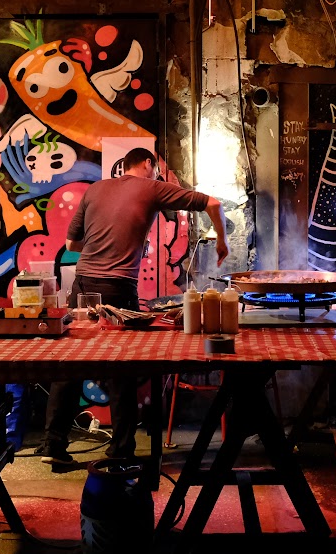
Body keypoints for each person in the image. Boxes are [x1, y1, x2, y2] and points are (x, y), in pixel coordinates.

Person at [41, 147, 228, 469]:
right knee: (121, 371)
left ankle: (53, 445)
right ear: (147, 164)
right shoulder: (151, 186)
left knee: (70, 366)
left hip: (82, 285)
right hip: (116, 288)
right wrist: (223, 241)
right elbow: (213, 203)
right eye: (155, 170)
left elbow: (72, 244)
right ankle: (121, 451)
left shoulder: (95, 189)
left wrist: (102, 244)